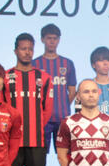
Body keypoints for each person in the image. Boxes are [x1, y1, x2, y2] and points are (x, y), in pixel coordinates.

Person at [3, 33, 54, 166]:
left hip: (36, 139)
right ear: (15, 50)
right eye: (23, 48)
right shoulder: (5, 77)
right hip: (13, 141)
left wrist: (35, 126)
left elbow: (47, 109)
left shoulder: (44, 77)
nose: (27, 52)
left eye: (30, 48)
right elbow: (2, 108)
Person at [31, 23, 77, 155]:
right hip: (42, 120)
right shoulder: (34, 64)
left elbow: (72, 91)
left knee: (66, 157)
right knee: (39, 156)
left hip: (63, 118)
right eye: (49, 38)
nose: (52, 41)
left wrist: (62, 104)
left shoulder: (67, 63)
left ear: (59, 40)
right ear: (42, 39)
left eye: (55, 38)